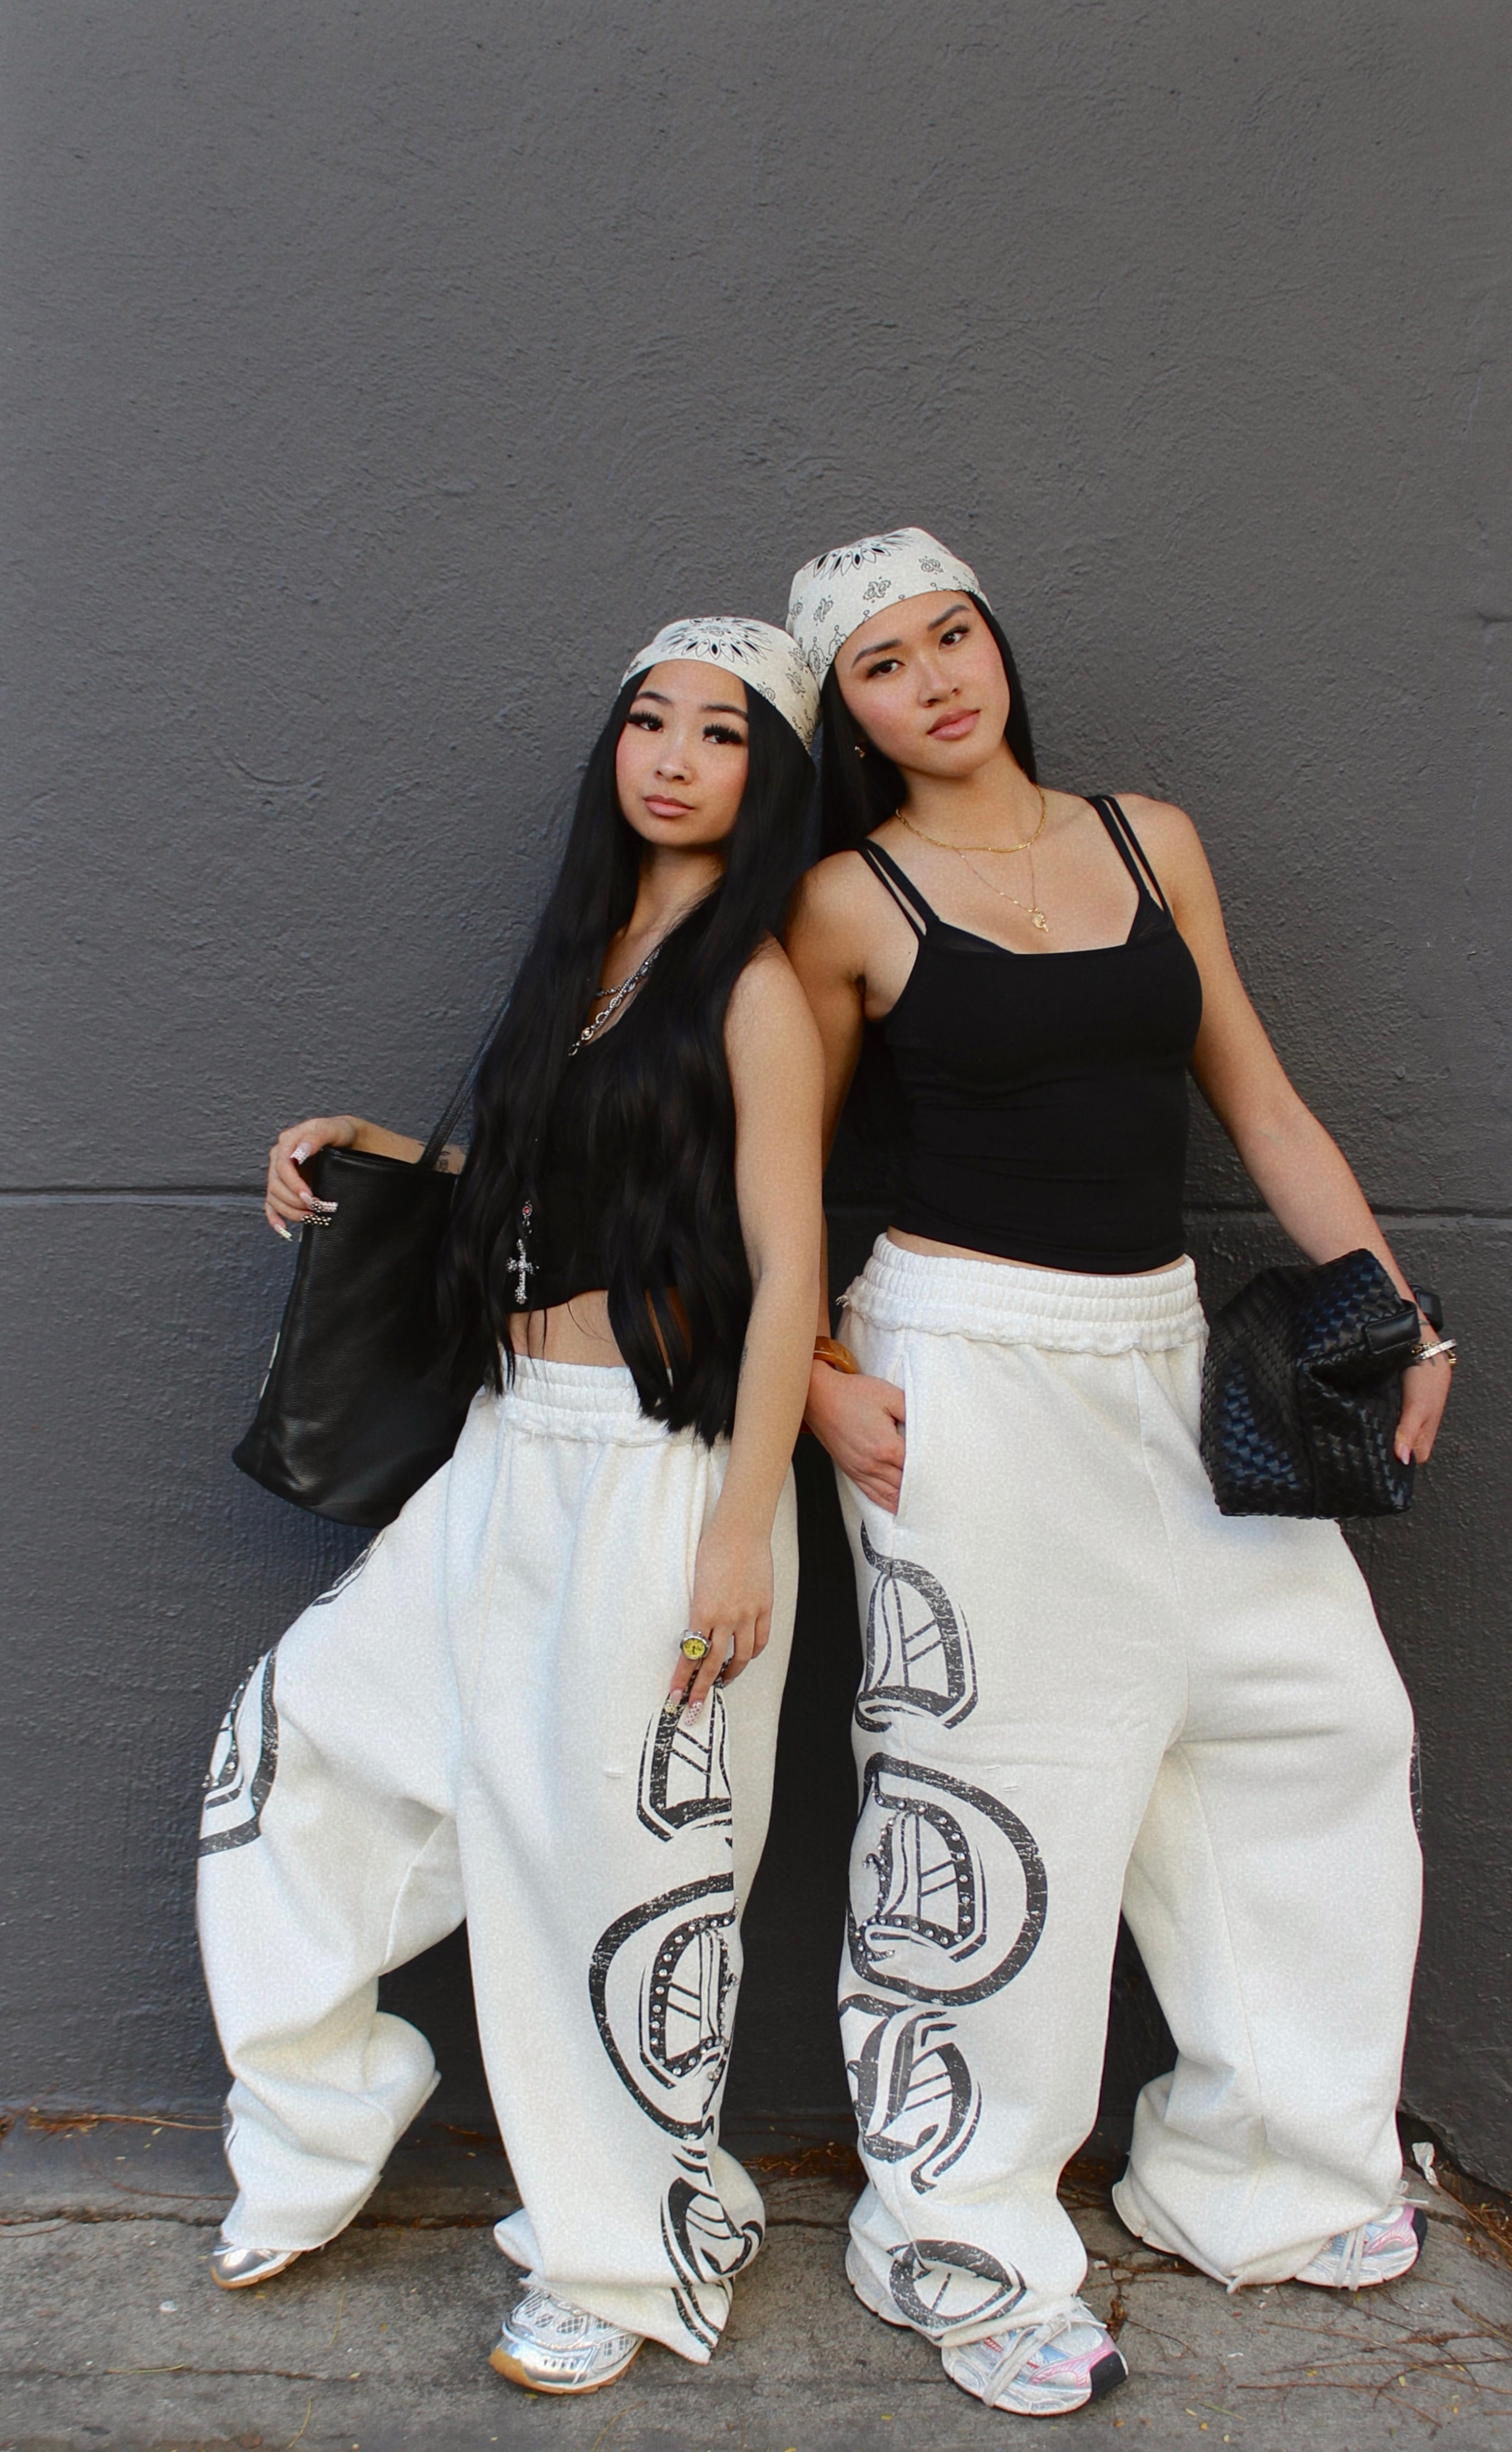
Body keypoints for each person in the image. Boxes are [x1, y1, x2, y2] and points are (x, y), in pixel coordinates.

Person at [782, 529, 1455, 2420]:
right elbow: (777, 1165)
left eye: (952, 636)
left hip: (1165, 1353)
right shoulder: (846, 899)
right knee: (998, 1801)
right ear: (849, 714)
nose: (935, 680)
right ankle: (955, 2236)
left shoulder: (1149, 839)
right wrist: (816, 1378)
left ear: (995, 643)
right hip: (963, 1367)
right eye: (884, 666)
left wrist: (1387, 1309)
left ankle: (1263, 2172)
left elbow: (1262, 1102)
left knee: (1312, 1730)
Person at [197, 617, 824, 2396]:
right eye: (650, 721)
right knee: (298, 1750)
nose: (673, 758)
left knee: (609, 1880)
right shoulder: (584, 956)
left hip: (660, 1469)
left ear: (768, 780)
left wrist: (735, 1529)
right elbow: (544, 1191)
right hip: (509, 1450)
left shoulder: (752, 987)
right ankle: (321, 2126)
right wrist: (379, 1150)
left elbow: (787, 1270)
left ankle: (614, 2255)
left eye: (720, 734)